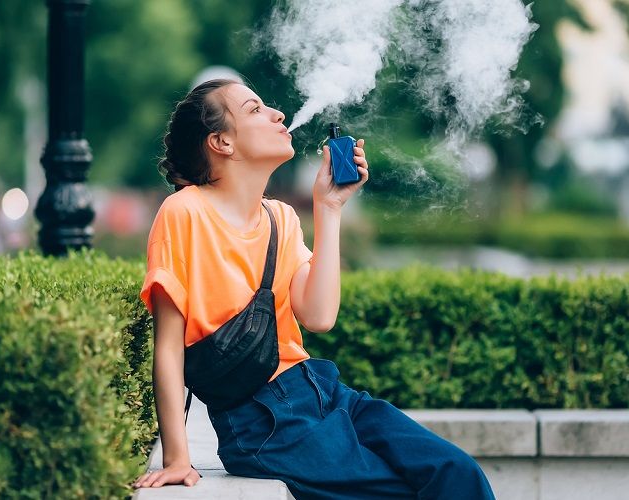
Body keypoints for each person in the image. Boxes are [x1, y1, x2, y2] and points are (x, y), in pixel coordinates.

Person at [133, 78, 496, 499]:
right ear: (221, 143)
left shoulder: (281, 218)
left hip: (323, 392)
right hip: (264, 423)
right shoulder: (184, 213)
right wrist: (177, 457)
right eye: (254, 110)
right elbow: (169, 346)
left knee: (457, 473)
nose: (277, 114)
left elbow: (319, 316)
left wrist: (329, 207)